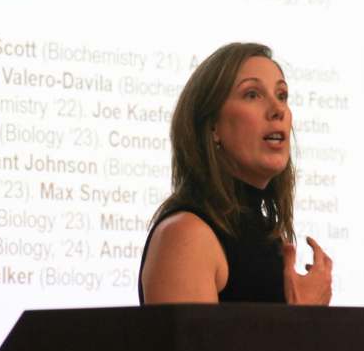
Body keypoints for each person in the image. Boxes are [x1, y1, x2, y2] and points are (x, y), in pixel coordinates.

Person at [138, 42, 332, 306]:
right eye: (252, 94)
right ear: (212, 126)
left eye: (282, 95)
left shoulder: (269, 236)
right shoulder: (186, 236)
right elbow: (194, 349)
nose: (278, 109)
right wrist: (305, 319)